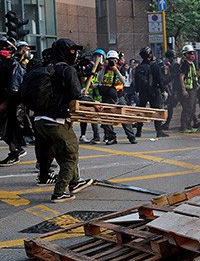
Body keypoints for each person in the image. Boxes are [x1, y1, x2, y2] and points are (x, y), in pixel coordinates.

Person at [30, 39, 93, 202]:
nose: (75, 54)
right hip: (56, 120)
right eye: (72, 51)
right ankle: (60, 192)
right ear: (65, 52)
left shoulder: (45, 68)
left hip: (39, 121)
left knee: (62, 151)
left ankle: (75, 181)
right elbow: (75, 95)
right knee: (71, 155)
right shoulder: (67, 70)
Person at [98, 50, 137, 144]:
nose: (112, 62)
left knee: (124, 116)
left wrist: (116, 70)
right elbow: (100, 79)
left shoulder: (121, 69)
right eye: (110, 60)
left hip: (119, 96)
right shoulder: (105, 69)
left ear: (117, 60)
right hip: (107, 97)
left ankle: (131, 137)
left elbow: (124, 81)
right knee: (106, 118)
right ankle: (111, 137)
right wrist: (104, 68)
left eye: (114, 60)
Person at [0, 36, 26, 165]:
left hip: (13, 103)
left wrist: (5, 103)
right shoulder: (3, 62)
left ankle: (15, 152)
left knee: (9, 130)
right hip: (5, 101)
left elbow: (14, 88)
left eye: (6, 47)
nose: (3, 50)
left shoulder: (14, 64)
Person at [133, 46, 169, 138]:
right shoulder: (154, 66)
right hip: (153, 92)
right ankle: (159, 131)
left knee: (141, 111)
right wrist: (163, 90)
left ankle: (138, 131)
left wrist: (137, 91)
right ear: (150, 55)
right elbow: (159, 80)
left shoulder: (139, 67)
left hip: (143, 93)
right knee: (156, 111)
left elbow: (136, 81)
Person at [179, 44, 200, 133]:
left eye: (193, 53)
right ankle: (184, 127)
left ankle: (189, 126)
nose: (193, 55)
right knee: (187, 108)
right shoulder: (185, 64)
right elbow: (181, 76)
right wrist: (183, 89)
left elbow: (193, 76)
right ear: (186, 55)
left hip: (193, 89)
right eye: (191, 53)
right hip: (188, 89)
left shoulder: (192, 64)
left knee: (192, 108)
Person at [162, 49, 181, 130]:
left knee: (171, 106)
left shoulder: (175, 66)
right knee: (185, 105)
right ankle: (195, 121)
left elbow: (171, 77)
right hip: (178, 88)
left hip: (178, 89)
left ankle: (167, 123)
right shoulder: (175, 65)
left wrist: (164, 81)